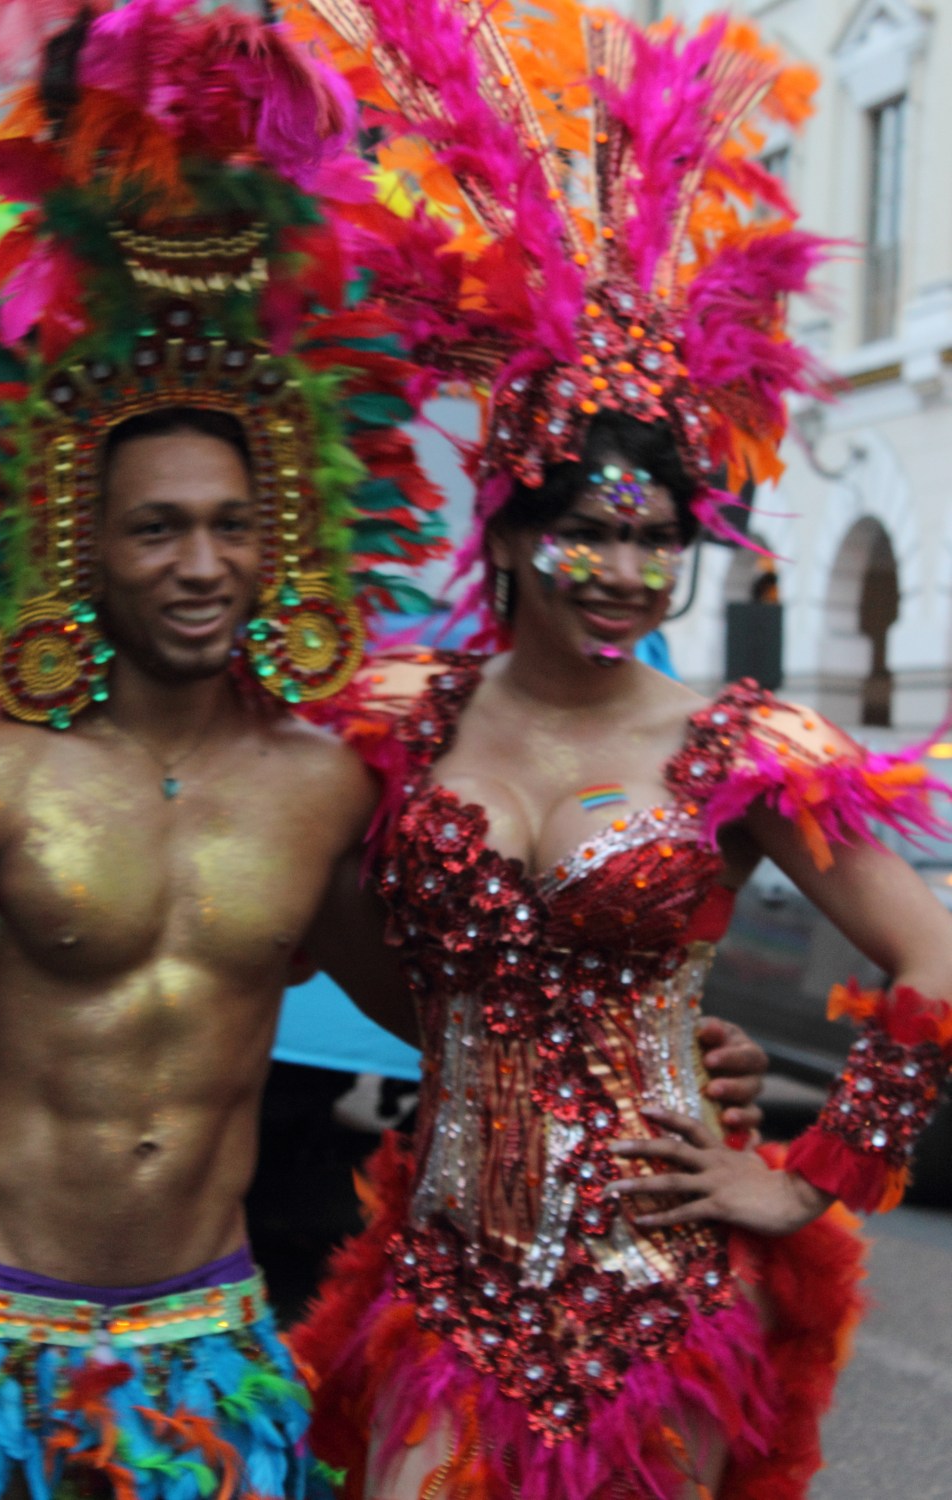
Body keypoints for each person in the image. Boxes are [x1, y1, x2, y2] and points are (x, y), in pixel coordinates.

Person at [0, 5, 767, 1496]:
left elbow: (458, 1003)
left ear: (285, 548)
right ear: (85, 544)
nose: (201, 564)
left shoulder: (326, 786)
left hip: (217, 1342)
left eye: (233, 526)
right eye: (157, 528)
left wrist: (645, 1025)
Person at [286, 3, 952, 1497]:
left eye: (655, 541)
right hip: (444, 1277)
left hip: (663, 1300)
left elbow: (937, 967)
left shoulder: (740, 748)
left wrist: (804, 1181)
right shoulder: (407, 717)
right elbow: (324, 924)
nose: (621, 571)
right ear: (508, 535)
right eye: (582, 528)